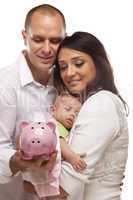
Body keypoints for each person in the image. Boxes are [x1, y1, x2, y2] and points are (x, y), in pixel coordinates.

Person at [0, 4, 66, 200]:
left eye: (55, 41)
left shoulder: (67, 81)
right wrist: (18, 161)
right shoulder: (5, 85)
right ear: (24, 36)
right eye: (38, 39)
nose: (47, 49)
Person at [54, 32, 129, 200]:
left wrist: (26, 182)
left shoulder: (100, 103)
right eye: (63, 67)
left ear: (98, 63)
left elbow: (67, 186)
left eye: (78, 63)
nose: (69, 73)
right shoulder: (92, 103)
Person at [51, 92, 86, 171]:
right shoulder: (55, 125)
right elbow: (60, 142)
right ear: (53, 110)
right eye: (68, 109)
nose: (72, 114)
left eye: (76, 113)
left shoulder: (66, 129)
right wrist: (72, 157)